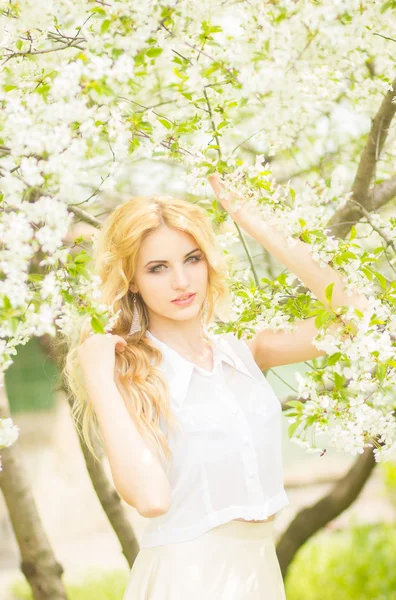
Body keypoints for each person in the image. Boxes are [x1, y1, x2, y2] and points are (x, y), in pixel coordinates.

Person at [64, 174, 369, 599]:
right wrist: (98, 378)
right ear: (131, 280)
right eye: (158, 268)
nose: (182, 282)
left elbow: (357, 318)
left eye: (192, 259)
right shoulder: (133, 373)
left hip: (258, 574)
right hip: (186, 578)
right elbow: (150, 500)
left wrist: (259, 228)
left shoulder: (244, 348)